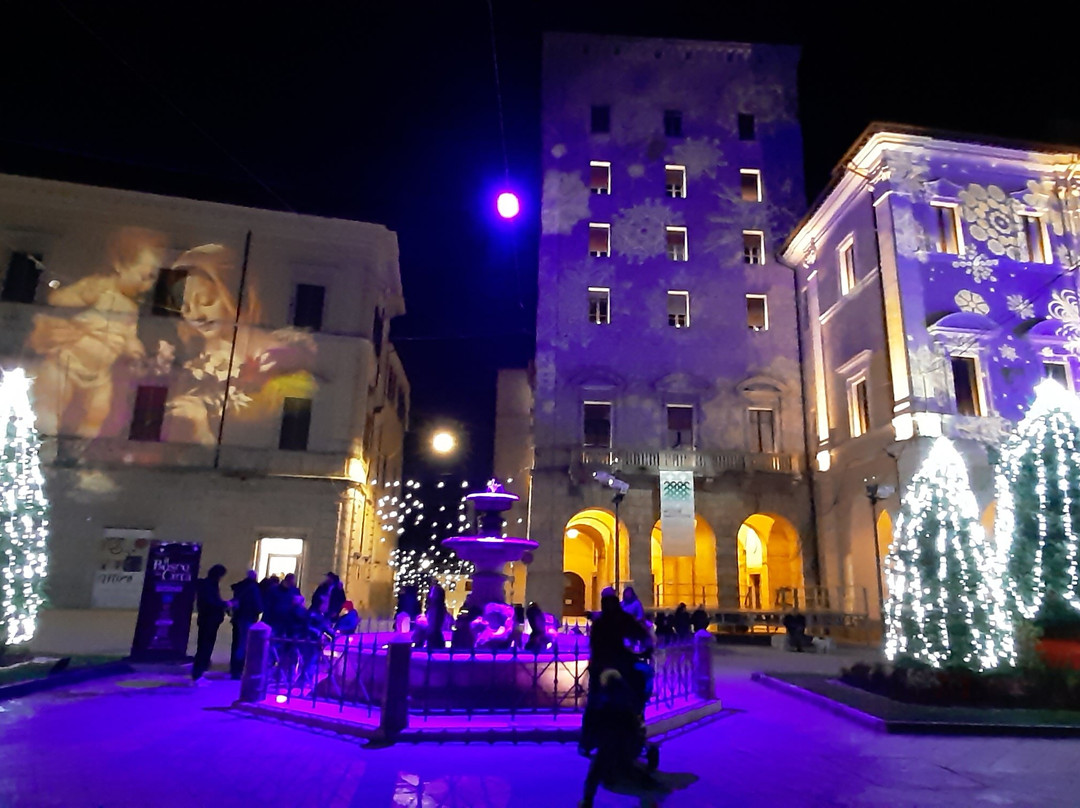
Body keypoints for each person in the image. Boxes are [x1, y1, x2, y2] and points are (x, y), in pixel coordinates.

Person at [28, 227, 165, 437]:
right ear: (120, 264)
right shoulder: (98, 286)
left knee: (100, 409)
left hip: (100, 374)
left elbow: (129, 335)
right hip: (68, 361)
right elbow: (57, 300)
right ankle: (47, 433)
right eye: (145, 276)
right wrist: (77, 295)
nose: (147, 286)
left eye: (152, 280)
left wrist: (135, 348)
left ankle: (83, 441)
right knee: (54, 397)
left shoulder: (132, 308)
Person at [580, 589, 659, 807]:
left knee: (595, 703)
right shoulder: (615, 620)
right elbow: (638, 635)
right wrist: (640, 652)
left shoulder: (603, 621)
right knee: (602, 702)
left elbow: (638, 634)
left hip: (605, 667)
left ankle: (587, 741)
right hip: (614, 668)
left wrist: (641, 648)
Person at [192, 564, 230, 684]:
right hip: (209, 619)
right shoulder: (209, 585)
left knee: (205, 646)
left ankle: (200, 671)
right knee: (205, 646)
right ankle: (198, 673)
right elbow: (211, 602)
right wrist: (225, 604)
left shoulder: (209, 585)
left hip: (209, 619)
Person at [229, 569, 263, 679]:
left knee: (237, 643)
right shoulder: (253, 588)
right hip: (248, 617)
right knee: (243, 644)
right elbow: (258, 605)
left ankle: (234, 669)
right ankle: (238, 670)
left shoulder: (240, 587)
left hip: (238, 617)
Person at [419, 583, 448, 649]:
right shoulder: (434, 607)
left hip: (434, 635)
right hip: (433, 634)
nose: (431, 595)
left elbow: (434, 622)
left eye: (433, 593)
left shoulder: (436, 608)